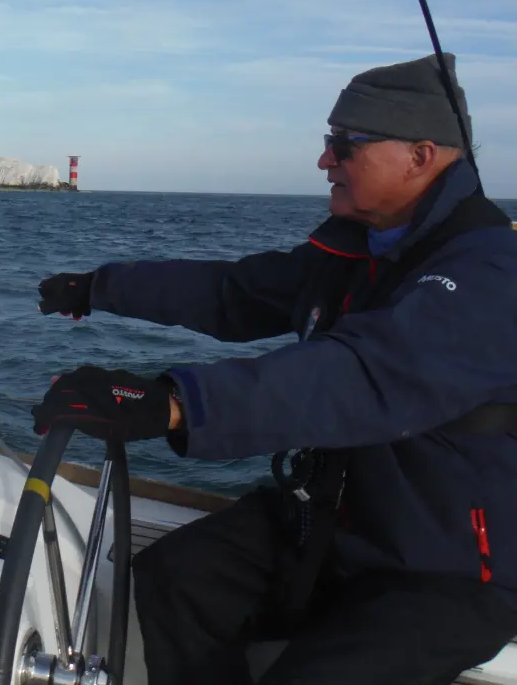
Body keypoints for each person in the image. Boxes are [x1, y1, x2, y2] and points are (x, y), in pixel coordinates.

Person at [32, 54, 517, 685]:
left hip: (447, 567)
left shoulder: (492, 272)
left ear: (421, 155)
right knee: (175, 581)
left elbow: (365, 374)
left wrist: (173, 403)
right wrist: (100, 287)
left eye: (344, 145)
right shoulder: (352, 250)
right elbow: (233, 292)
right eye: (328, 142)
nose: (324, 161)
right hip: (333, 525)